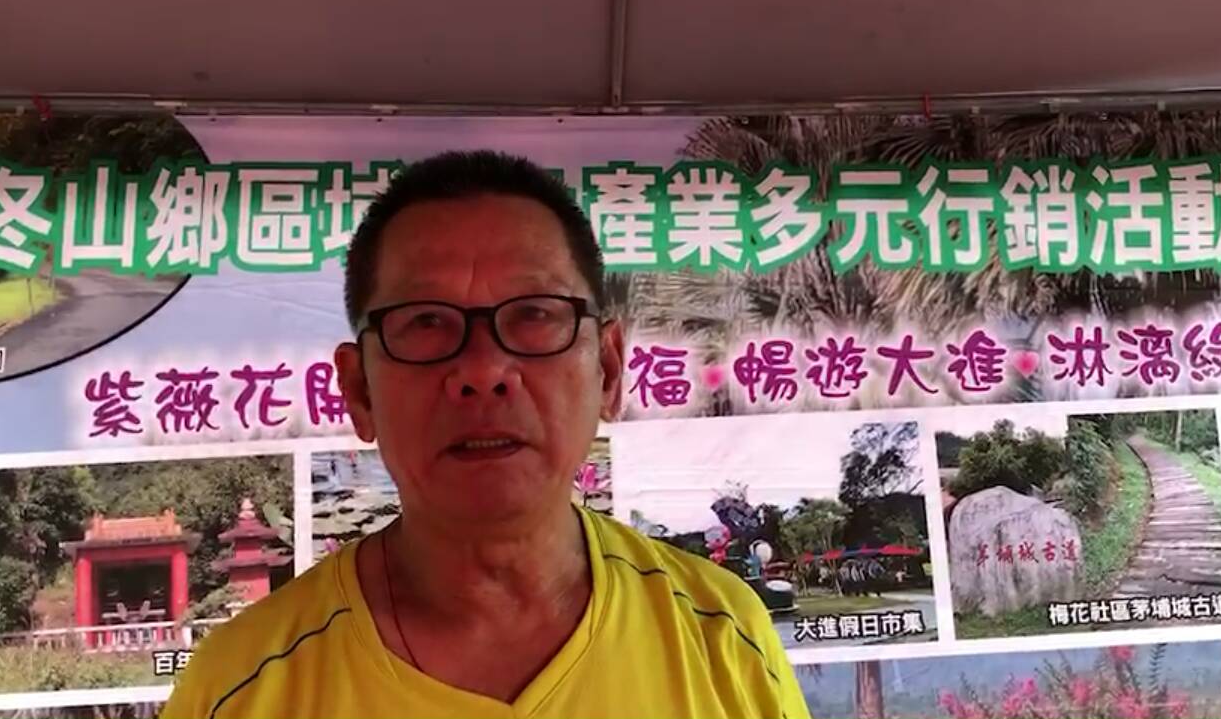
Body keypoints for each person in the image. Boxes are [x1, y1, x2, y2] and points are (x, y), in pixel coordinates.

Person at [162, 151, 811, 719]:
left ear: (608, 369)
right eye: (425, 322)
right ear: (359, 390)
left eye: (534, 314)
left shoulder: (723, 639)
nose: (481, 370)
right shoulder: (241, 686)